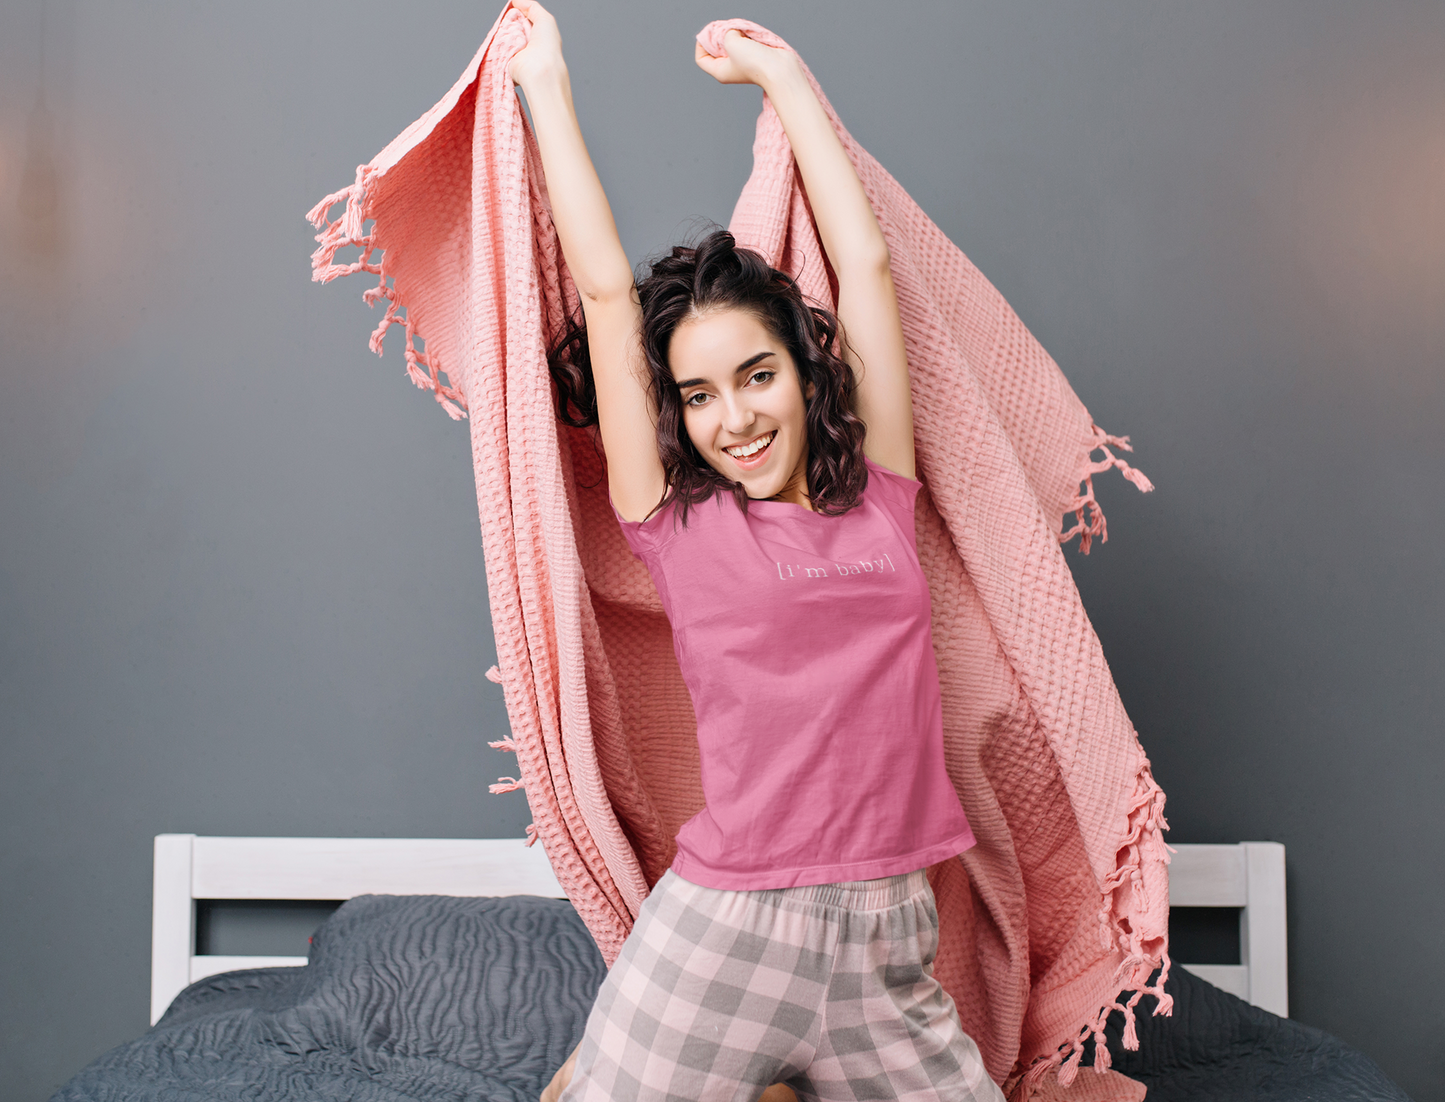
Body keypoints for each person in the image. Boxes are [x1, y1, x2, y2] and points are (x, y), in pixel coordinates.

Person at [508, 4, 1005, 1100]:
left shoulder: (879, 494)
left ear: (804, 372)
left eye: (756, 375)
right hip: (729, 931)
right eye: (696, 395)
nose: (731, 418)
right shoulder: (675, 522)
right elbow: (604, 293)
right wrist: (544, 82)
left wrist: (784, 83)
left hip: (886, 937)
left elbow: (864, 264)